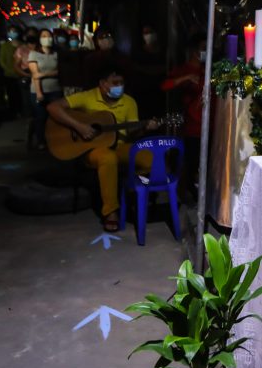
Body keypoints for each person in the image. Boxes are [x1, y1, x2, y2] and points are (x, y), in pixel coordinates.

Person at [47, 61, 158, 231]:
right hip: (93, 150)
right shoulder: (87, 97)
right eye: (115, 83)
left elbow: (133, 133)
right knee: (108, 158)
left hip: (120, 146)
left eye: (121, 83)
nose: (119, 87)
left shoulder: (129, 102)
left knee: (151, 157)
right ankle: (111, 211)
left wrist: (143, 128)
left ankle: (138, 198)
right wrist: (79, 126)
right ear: (102, 84)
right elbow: (53, 107)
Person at [161, 34, 206, 203]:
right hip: (193, 126)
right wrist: (186, 78)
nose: (206, 52)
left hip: (213, 127)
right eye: (203, 48)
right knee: (191, 163)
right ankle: (187, 194)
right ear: (194, 51)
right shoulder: (185, 70)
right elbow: (165, 85)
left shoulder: (211, 70)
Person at [28, 29, 62, 150]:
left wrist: (43, 74)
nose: (47, 38)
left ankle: (55, 140)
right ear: (39, 39)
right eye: (43, 36)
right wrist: (39, 93)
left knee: (55, 117)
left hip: (55, 90)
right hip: (39, 90)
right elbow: (35, 75)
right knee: (41, 117)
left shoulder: (57, 54)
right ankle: (41, 141)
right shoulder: (33, 54)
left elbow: (60, 72)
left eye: (49, 36)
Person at [0, 25, 23, 118]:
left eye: (14, 31)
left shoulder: (22, 44)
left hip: (21, 74)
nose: (12, 33)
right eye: (10, 31)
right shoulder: (5, 45)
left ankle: (22, 110)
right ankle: (13, 112)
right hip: (9, 75)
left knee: (21, 94)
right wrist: (10, 70)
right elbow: (1, 60)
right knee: (12, 94)